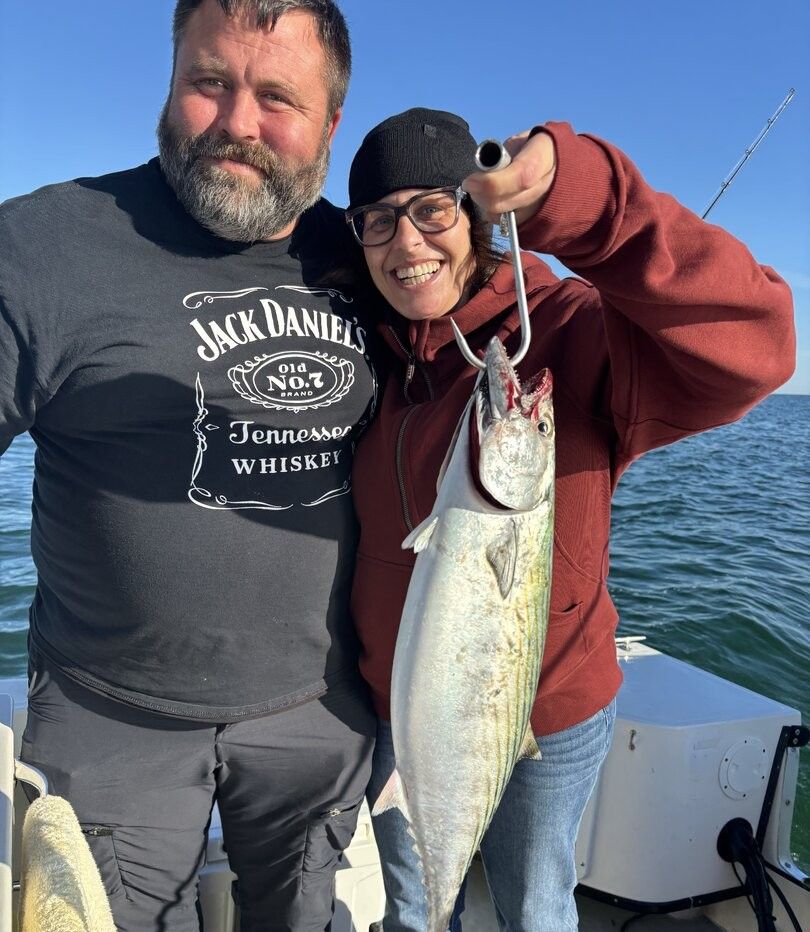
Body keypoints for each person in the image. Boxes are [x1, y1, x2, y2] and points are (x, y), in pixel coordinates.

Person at [344, 108, 795, 931]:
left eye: (435, 209)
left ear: (480, 214)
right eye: (379, 219)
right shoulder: (361, 350)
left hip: (551, 713)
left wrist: (581, 198)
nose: (407, 242)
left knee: (537, 906)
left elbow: (757, 347)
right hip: (402, 703)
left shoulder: (572, 329)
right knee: (414, 906)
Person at [0, 1, 379, 929]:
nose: (237, 124)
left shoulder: (374, 261)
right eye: (209, 83)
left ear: (332, 124)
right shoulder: (42, 245)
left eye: (277, 97)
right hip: (107, 718)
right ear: (170, 87)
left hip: (320, 716)